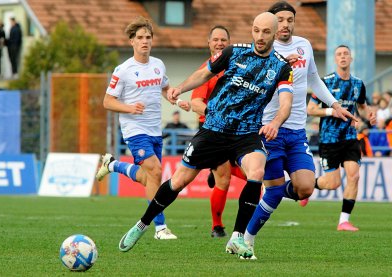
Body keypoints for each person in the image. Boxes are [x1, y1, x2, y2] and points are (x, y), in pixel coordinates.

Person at [118, 12, 294, 259]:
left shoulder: (282, 67)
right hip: (213, 129)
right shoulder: (234, 52)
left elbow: (286, 101)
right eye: (256, 30)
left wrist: (276, 121)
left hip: (246, 133)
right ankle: (143, 224)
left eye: (266, 32)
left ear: (275, 34)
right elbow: (204, 74)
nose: (260, 36)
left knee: (256, 171)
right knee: (178, 181)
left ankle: (236, 238)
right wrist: (181, 87)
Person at [242, 1, 357, 258]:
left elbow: (313, 79)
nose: (285, 24)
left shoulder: (304, 45)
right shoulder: (260, 50)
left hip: (295, 131)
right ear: (270, 25)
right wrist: (280, 62)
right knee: (272, 192)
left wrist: (334, 104)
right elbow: (253, 83)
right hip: (268, 130)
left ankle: (272, 193)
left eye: (289, 20)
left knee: (305, 187)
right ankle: (246, 239)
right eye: (280, 20)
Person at [95, 16, 190, 240]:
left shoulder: (158, 65)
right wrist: (129, 108)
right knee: (156, 171)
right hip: (134, 130)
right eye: (140, 38)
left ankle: (113, 165)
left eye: (148, 37)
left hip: (155, 131)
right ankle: (159, 228)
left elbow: (166, 89)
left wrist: (177, 101)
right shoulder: (123, 69)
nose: (145, 41)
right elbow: (107, 102)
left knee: (149, 179)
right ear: (132, 42)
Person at [307, 44, 376, 231]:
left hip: (350, 137)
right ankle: (309, 188)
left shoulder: (358, 84)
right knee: (332, 183)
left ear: (351, 59)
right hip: (329, 139)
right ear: (335, 59)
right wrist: (331, 111)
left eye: (346, 54)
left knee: (354, 176)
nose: (343, 57)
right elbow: (310, 109)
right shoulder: (326, 82)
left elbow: (361, 105)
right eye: (339, 54)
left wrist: (368, 114)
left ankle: (343, 221)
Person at [190, 25, 232, 238]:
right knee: (224, 177)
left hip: (236, 128)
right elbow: (196, 102)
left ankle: (212, 170)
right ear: (209, 43)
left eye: (223, 40)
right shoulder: (205, 70)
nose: (219, 43)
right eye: (215, 39)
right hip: (211, 129)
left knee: (252, 168)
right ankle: (217, 226)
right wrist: (214, 114)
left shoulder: (237, 67)